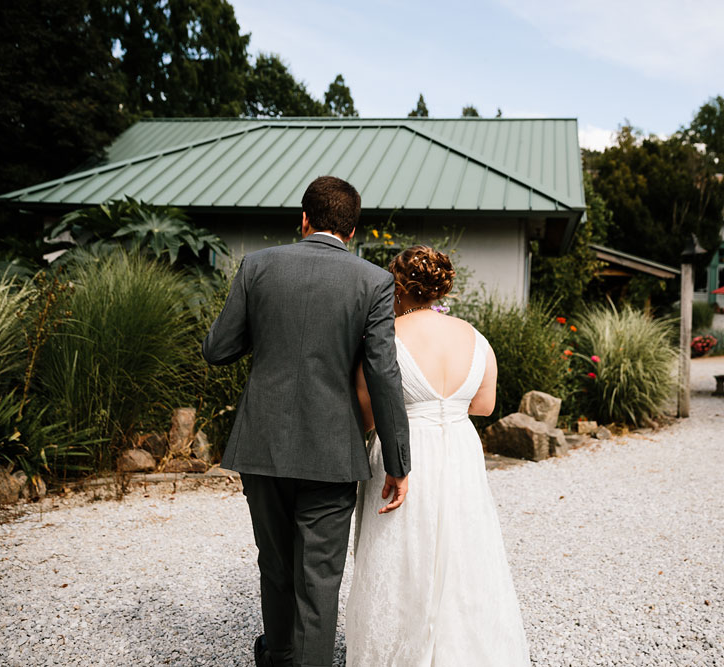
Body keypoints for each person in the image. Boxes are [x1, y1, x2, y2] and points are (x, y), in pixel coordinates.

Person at [201, 176, 411, 667]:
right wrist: (398, 461)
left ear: (304, 219)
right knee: (319, 575)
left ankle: (277, 656)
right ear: (353, 230)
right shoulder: (373, 281)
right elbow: (384, 372)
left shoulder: (257, 266)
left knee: (274, 563)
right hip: (332, 451)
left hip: (262, 444)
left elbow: (218, 350)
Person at [345, 245, 530, 666]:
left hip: (405, 449)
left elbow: (365, 413)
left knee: (401, 548)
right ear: (441, 287)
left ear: (396, 286)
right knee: (462, 546)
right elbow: (483, 406)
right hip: (460, 449)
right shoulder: (476, 338)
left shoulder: (385, 336)